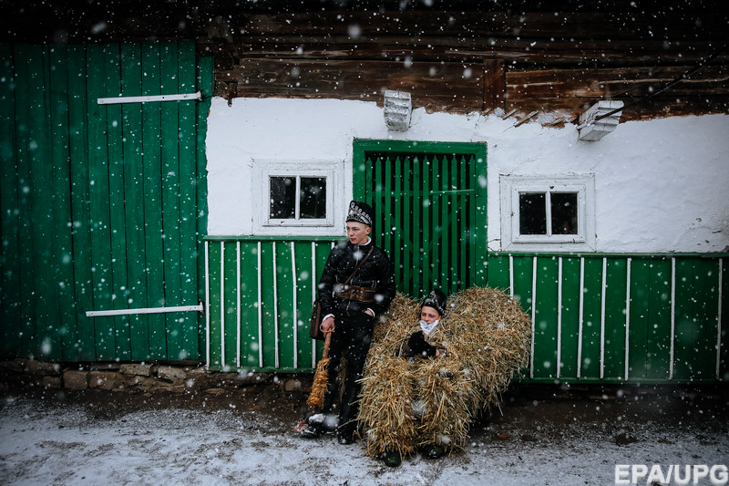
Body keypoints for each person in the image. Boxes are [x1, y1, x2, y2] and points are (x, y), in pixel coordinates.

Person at [300, 200, 396, 444]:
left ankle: (346, 426)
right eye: (348, 228)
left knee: (355, 371)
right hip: (337, 317)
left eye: (355, 229)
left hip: (362, 320)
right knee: (327, 370)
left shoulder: (378, 257)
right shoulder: (339, 251)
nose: (350, 233)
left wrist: (372, 312)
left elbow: (389, 290)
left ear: (368, 230)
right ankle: (318, 421)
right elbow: (325, 285)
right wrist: (328, 314)